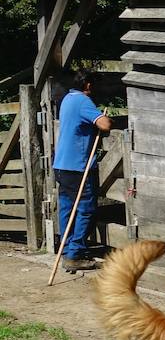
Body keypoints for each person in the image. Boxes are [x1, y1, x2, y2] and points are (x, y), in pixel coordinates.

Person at [53, 68, 112, 271]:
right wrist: (107, 120)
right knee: (85, 209)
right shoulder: (83, 101)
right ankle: (75, 254)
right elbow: (104, 124)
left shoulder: (68, 99)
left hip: (61, 165)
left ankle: (67, 248)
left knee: (67, 208)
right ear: (88, 85)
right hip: (78, 166)